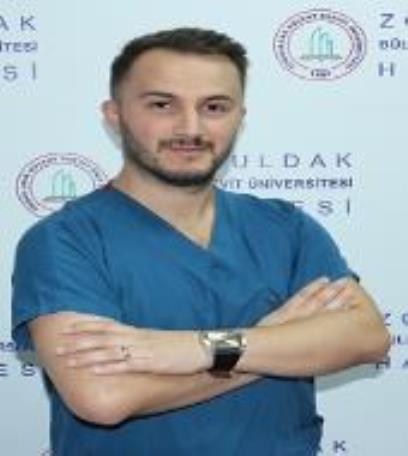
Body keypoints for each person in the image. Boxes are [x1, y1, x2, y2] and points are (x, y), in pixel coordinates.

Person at [12, 27, 390, 455]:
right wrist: (271, 341)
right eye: (162, 105)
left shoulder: (285, 228)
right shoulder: (65, 241)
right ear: (115, 115)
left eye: (214, 107)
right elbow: (104, 397)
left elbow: (366, 336)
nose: (190, 127)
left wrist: (193, 348)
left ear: (239, 118)